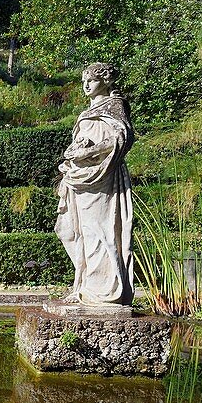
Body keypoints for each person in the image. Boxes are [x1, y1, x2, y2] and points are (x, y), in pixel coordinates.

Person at [55, 62, 135, 307]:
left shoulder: (114, 107)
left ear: (107, 81)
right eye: (84, 81)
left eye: (91, 80)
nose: (86, 86)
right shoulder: (88, 111)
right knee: (69, 230)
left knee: (98, 233)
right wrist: (74, 156)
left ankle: (102, 292)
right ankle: (84, 284)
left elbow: (121, 140)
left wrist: (87, 153)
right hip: (79, 179)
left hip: (102, 177)